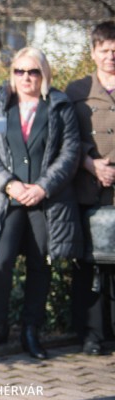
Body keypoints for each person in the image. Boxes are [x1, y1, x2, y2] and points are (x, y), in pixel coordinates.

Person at [0, 46, 81, 360]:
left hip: (45, 201)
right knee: (0, 261)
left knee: (39, 264)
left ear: (43, 74)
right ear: (12, 74)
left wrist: (43, 187)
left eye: (33, 71)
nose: (26, 77)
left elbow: (70, 153)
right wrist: (9, 184)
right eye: (19, 71)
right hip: (6, 200)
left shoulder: (59, 107)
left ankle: (31, 331)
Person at [66, 21, 115, 355]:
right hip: (87, 187)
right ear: (93, 52)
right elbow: (65, 136)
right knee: (89, 265)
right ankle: (92, 335)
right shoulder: (77, 90)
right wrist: (90, 163)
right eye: (104, 50)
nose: (110, 56)